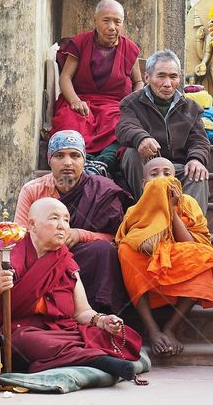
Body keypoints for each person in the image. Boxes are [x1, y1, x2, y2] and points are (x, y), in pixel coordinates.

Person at [0, 198, 137, 379]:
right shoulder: (5, 254)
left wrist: (102, 320)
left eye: (66, 220)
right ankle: (95, 360)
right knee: (23, 341)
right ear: (32, 224)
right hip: (20, 331)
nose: (62, 226)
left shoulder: (66, 261)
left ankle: (71, 355)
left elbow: (82, 312)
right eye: (54, 218)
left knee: (121, 334)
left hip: (60, 332)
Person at [14, 130, 130, 314]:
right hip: (41, 256)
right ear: (49, 159)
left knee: (104, 251)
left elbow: (117, 237)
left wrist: (79, 234)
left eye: (75, 155)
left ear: (84, 160)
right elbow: (20, 234)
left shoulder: (102, 190)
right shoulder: (32, 190)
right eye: (59, 156)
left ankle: (99, 313)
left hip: (81, 255)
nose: (68, 162)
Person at [116, 157, 213, 356]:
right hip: (149, 262)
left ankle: (171, 327)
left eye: (167, 174)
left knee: (206, 256)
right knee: (126, 251)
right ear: (145, 185)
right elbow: (132, 240)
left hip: (177, 255)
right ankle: (152, 330)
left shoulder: (188, 203)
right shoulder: (136, 209)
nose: (161, 179)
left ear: (176, 181)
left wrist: (171, 209)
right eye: (154, 175)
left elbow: (190, 244)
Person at [50, 0, 143, 176]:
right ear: (95, 21)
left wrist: (134, 102)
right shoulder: (80, 43)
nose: (112, 27)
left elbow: (138, 82)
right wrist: (75, 100)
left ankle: (104, 163)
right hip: (81, 101)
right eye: (106, 20)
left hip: (114, 105)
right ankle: (83, 161)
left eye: (117, 22)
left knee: (121, 124)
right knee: (69, 121)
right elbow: (65, 77)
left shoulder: (129, 48)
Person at [117, 50, 211, 214]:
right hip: (148, 164)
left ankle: (192, 229)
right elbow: (125, 127)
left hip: (177, 168)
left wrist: (196, 159)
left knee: (197, 173)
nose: (167, 83)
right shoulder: (131, 102)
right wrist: (141, 138)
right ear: (147, 78)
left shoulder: (191, 107)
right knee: (132, 154)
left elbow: (200, 140)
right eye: (161, 76)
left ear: (179, 79)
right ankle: (148, 217)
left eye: (173, 77)